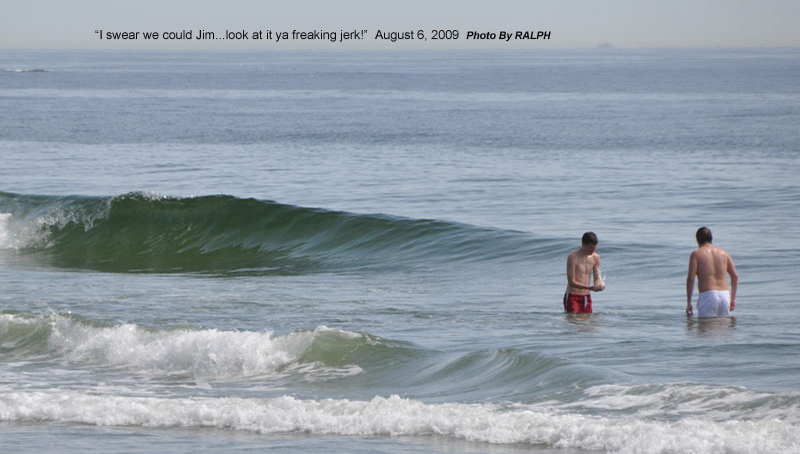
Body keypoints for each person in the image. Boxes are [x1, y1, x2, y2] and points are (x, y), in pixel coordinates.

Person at [686, 227, 738, 317]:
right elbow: (735, 276)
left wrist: (689, 303)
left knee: (705, 329)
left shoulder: (696, 254)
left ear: (697, 240)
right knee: (723, 329)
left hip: (708, 295)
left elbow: (691, 279)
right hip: (725, 295)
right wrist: (733, 299)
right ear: (711, 238)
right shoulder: (724, 253)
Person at [564, 232, 605, 314]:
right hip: (573, 296)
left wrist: (599, 286)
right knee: (574, 322)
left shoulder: (596, 257)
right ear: (583, 243)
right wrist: (589, 288)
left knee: (587, 324)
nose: (592, 251)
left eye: (594, 248)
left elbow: (596, 278)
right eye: (590, 248)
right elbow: (571, 282)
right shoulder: (573, 257)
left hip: (586, 296)